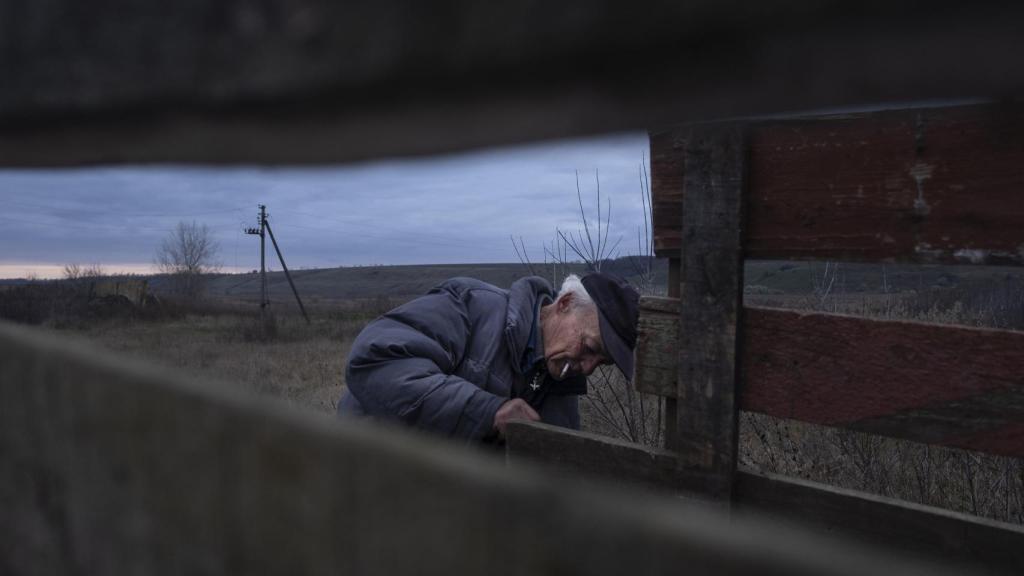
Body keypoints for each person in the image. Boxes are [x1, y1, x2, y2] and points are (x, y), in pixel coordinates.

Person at [336, 272, 640, 442]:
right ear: (565, 304)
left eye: (600, 362)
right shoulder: (471, 307)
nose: (587, 368)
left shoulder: (561, 398)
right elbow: (374, 361)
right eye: (588, 346)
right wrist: (487, 412)